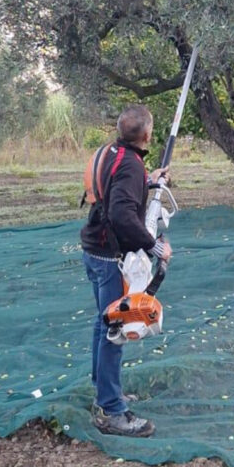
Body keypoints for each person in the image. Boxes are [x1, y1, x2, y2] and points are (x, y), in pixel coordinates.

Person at [80, 105, 172, 437]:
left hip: (94, 249)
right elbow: (121, 215)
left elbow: (114, 186)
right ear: (146, 135)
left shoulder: (110, 152)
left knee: (103, 320)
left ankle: (105, 389)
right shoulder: (131, 165)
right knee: (115, 327)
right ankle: (110, 409)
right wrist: (155, 247)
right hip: (110, 257)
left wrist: (149, 181)